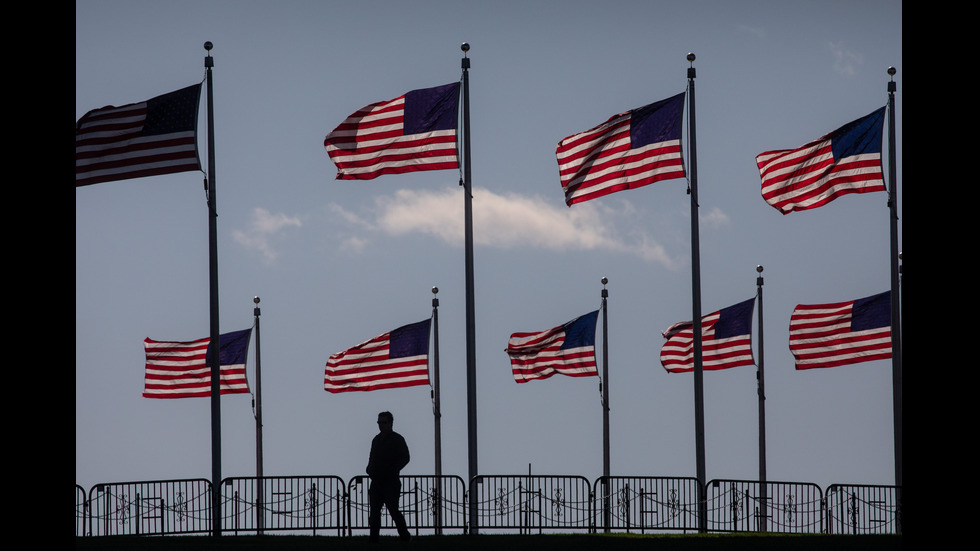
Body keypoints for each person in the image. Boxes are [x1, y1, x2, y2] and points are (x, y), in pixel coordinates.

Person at [366, 411, 412, 542]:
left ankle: (405, 536)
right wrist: (369, 468)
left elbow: (405, 457)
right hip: (376, 481)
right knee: (374, 512)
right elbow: (372, 457)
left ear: (391, 423)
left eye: (383, 422)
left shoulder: (397, 439)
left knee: (393, 510)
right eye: (379, 423)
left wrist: (392, 469)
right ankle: (373, 539)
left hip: (390, 482)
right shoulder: (376, 440)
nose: (381, 425)